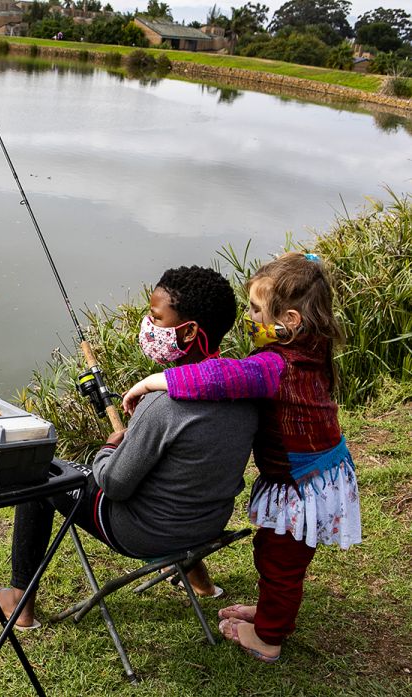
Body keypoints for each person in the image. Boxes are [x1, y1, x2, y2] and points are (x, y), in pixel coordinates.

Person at [122, 252, 362, 662]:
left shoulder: (275, 365)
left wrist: (152, 381)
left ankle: (268, 637)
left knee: (281, 564)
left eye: (255, 309)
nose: (249, 318)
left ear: (289, 321)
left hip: (301, 481)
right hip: (313, 473)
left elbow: (218, 375)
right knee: (275, 554)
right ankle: (273, 616)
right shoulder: (311, 346)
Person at [0, 266, 258, 629]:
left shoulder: (161, 404)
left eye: (156, 317)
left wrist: (108, 449)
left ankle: (19, 601)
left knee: (43, 478)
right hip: (207, 525)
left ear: (190, 330)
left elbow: (113, 484)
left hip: (142, 534)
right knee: (181, 482)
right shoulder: (243, 389)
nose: (147, 324)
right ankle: (201, 582)